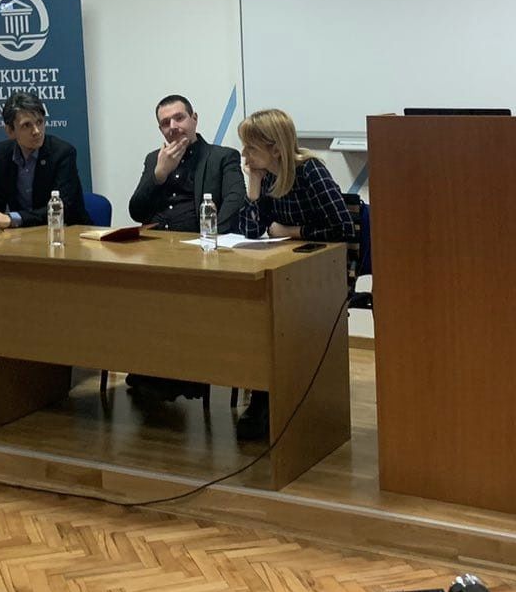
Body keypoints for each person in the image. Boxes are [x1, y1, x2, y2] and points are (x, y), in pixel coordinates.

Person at [234, 107, 355, 441]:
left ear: (275, 148)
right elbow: (250, 231)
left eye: (251, 148)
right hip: (286, 271)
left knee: (274, 316)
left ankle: (274, 401)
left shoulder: (311, 171)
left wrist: (291, 231)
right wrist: (253, 187)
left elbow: (343, 228)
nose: (244, 155)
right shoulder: (266, 176)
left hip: (323, 273)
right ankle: (264, 396)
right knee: (253, 311)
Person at [125, 94, 248, 403]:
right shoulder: (155, 158)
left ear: (194, 119)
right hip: (156, 250)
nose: (173, 126)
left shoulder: (222, 156)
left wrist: (209, 237)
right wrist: (159, 174)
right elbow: (136, 211)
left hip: (199, 251)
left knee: (178, 300)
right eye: (165, 123)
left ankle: (181, 377)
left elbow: (235, 201)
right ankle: (150, 369)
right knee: (132, 296)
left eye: (179, 118)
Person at [0, 90, 89, 230]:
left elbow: (61, 208)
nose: (37, 131)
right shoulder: (2, 153)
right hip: (23, 234)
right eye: (27, 125)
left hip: (66, 232)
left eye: (39, 122)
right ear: (10, 131)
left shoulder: (62, 153)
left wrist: (13, 219)